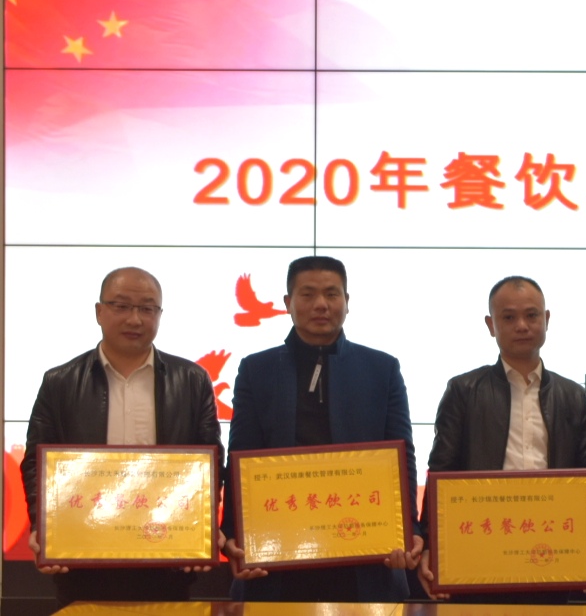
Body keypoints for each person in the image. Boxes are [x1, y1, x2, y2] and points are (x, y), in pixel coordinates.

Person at [220, 255, 421, 602]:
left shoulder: (381, 368)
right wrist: (236, 535)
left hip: (364, 549)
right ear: (288, 302)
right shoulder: (257, 369)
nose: (321, 304)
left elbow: (402, 457)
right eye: (308, 294)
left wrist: (409, 528)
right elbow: (241, 457)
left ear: (347, 301)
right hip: (278, 553)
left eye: (331, 294)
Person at [20, 267, 221, 606]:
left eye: (147, 308)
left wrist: (203, 528)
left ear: (159, 315)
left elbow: (210, 462)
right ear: (99, 312)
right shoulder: (60, 382)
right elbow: (36, 464)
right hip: (83, 560)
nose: (135, 318)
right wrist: (45, 527)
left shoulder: (192, 380)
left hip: (167, 561)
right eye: (122, 306)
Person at [418, 275, 586, 601]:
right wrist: (431, 544)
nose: (522, 326)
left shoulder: (572, 395)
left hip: (551, 548)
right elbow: (441, 470)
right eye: (509, 317)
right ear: (491, 325)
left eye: (531, 315)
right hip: (481, 548)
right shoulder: (463, 390)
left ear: (546, 320)